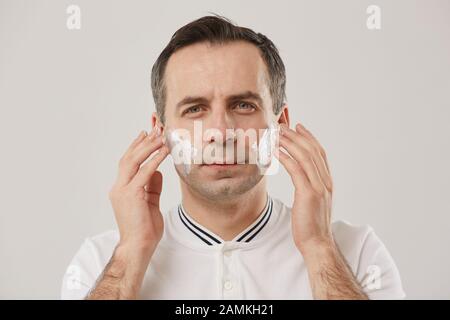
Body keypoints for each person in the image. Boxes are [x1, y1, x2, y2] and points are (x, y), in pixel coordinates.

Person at [61, 15, 405, 300]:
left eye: (243, 105)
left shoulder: (357, 253)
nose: (221, 132)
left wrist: (318, 249)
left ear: (280, 123)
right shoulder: (99, 264)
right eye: (195, 109)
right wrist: (131, 254)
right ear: (160, 131)